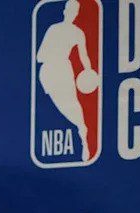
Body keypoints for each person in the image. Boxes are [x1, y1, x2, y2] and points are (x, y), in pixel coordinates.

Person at [36, 0, 95, 161]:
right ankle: (81, 128)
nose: (71, 14)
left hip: (63, 69)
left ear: (76, 14)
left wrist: (88, 71)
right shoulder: (53, 29)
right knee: (59, 105)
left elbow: (84, 56)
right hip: (48, 72)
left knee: (72, 103)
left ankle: (83, 134)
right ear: (65, 11)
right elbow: (39, 56)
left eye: (74, 11)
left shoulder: (78, 33)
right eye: (70, 10)